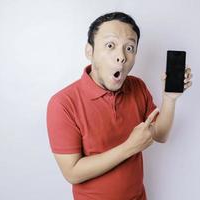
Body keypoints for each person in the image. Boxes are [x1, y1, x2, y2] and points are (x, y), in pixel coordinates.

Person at [46, 11, 192, 200]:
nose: (121, 57)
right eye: (110, 45)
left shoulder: (137, 87)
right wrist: (129, 147)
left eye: (129, 48)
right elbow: (72, 172)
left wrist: (170, 99)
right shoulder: (62, 104)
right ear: (89, 51)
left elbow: (160, 134)